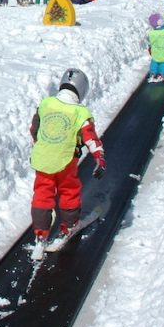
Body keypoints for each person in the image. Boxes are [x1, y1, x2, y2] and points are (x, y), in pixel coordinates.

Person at [29, 68, 105, 247]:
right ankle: (68, 227)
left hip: (42, 159)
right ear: (81, 90)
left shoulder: (46, 104)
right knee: (68, 192)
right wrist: (99, 159)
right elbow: (90, 138)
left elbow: (34, 129)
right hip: (65, 162)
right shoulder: (80, 112)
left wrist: (42, 146)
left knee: (42, 194)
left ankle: (40, 236)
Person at [146, 13, 164, 82]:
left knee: (154, 62)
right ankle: (163, 75)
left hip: (156, 51)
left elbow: (149, 41)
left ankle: (153, 74)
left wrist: (150, 48)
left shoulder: (151, 33)